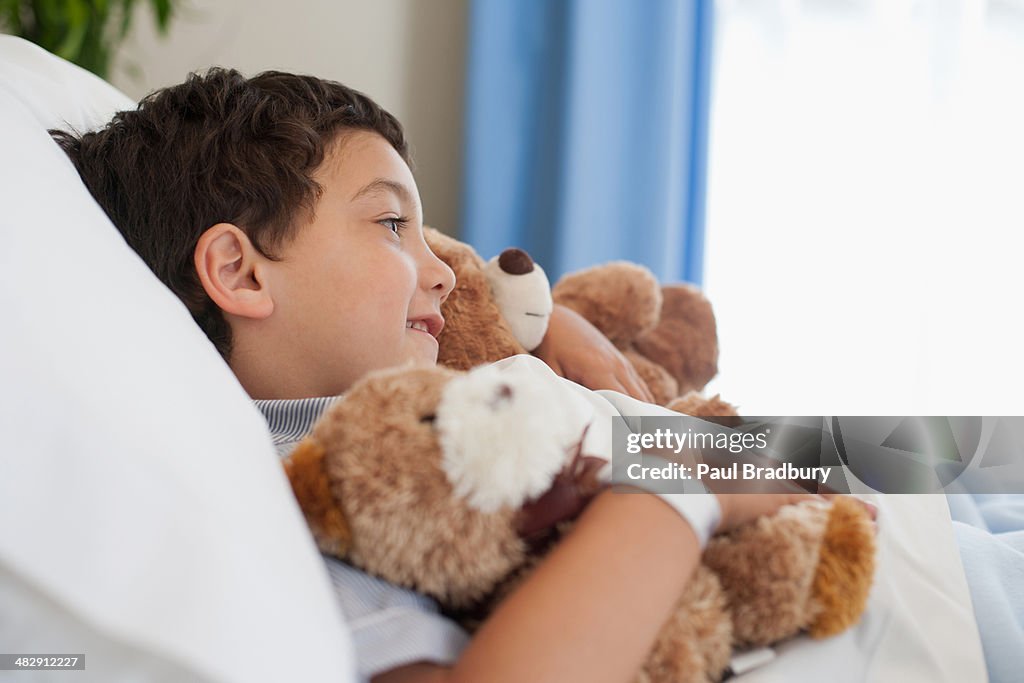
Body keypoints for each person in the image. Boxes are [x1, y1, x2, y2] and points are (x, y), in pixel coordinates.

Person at [52, 68, 828, 683]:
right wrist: (682, 489)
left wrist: (547, 319)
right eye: (394, 224)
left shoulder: (451, 396)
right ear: (239, 271)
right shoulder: (311, 492)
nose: (450, 274)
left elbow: (860, 456)